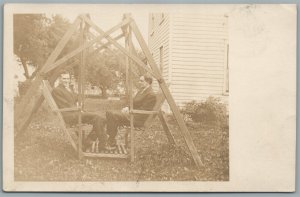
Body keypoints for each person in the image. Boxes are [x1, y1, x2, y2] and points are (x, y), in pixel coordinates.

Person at [52, 72, 107, 150]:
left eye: (68, 78)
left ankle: (89, 141)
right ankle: (102, 142)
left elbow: (76, 98)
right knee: (97, 118)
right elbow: (65, 105)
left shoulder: (68, 88)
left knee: (102, 119)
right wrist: (78, 109)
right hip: (69, 115)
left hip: (74, 113)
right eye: (64, 78)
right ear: (60, 79)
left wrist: (78, 102)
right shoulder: (57, 90)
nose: (66, 81)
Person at [106, 74, 157, 148]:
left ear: (148, 82)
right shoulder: (142, 91)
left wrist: (130, 112)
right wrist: (128, 108)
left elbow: (144, 111)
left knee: (111, 114)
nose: (139, 82)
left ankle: (111, 140)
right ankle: (110, 139)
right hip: (133, 115)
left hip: (137, 119)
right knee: (110, 113)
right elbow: (135, 104)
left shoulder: (151, 94)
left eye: (141, 81)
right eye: (139, 80)